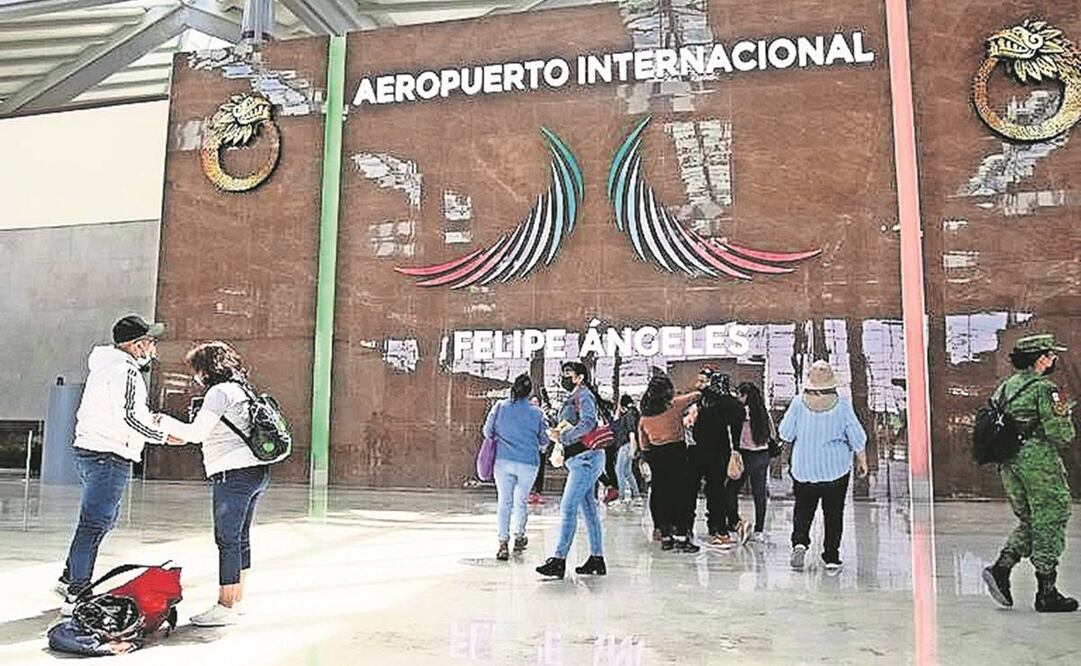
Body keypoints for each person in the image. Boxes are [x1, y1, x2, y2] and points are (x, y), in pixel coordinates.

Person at [57, 315, 175, 612]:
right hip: (109, 455)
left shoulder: (105, 367)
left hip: (91, 450)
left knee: (98, 519)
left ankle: (70, 576)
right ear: (135, 345)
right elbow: (129, 417)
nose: (152, 347)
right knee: (95, 523)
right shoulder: (126, 372)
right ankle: (77, 591)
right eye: (149, 342)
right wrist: (163, 436)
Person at [161, 341, 272, 627]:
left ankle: (224, 606)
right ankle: (236, 600)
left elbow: (196, 433)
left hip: (231, 474)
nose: (196, 375)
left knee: (227, 540)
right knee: (240, 538)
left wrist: (163, 423)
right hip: (255, 471)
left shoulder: (219, 393)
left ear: (206, 369)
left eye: (196, 369)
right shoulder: (242, 389)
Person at [982, 334, 1077, 612]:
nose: (1053, 359)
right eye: (1050, 354)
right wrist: (1066, 416)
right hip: (1038, 463)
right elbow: (1059, 433)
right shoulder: (1044, 389)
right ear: (1041, 358)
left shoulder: (1005, 388)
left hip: (1009, 462)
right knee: (1052, 516)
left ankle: (1002, 568)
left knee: (1031, 520)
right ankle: (1047, 592)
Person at [778, 360, 868, 572]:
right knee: (834, 513)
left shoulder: (798, 403)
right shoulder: (842, 405)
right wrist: (862, 460)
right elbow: (856, 436)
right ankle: (831, 557)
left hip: (804, 469)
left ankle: (800, 542)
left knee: (803, 509)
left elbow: (785, 433)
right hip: (835, 470)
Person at [536, 362, 608, 579]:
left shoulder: (583, 395)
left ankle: (558, 560)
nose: (564, 378)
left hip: (586, 459)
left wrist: (564, 437)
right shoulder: (575, 396)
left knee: (568, 508)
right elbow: (571, 422)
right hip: (582, 459)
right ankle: (597, 559)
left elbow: (588, 422)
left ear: (580, 377)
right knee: (589, 511)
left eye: (569, 374)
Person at [482, 375, 548, 561]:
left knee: (504, 502)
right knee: (521, 500)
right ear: (529, 393)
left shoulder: (500, 407)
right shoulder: (537, 413)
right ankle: (519, 536)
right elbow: (544, 440)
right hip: (528, 463)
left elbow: (487, 432)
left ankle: (503, 544)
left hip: (503, 461)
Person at [637, 375, 702, 553]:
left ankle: (665, 536)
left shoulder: (644, 417)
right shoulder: (674, 406)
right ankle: (681, 537)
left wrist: (647, 456)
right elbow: (696, 396)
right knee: (681, 494)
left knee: (660, 495)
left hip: (655, 456)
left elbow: (643, 443)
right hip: (677, 453)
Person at [691, 373, 745, 549]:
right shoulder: (736, 406)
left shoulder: (709, 404)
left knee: (706, 490)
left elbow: (698, 430)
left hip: (704, 453)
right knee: (717, 490)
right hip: (724, 454)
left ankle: (719, 530)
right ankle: (719, 529)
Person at [728, 382, 776, 543]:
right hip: (762, 456)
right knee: (759, 494)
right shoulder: (763, 412)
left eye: (739, 394)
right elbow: (772, 434)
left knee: (731, 489)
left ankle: (735, 522)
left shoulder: (741, 412)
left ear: (745, 396)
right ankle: (759, 530)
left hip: (743, 456)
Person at [613, 394, 642, 505]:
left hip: (626, 444)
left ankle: (621, 498)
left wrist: (633, 445)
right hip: (629, 444)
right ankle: (636, 496)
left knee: (619, 470)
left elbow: (631, 431)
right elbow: (616, 423)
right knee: (627, 471)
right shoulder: (633, 413)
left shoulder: (629, 415)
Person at [529, 393, 554, 504]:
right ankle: (529, 492)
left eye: (536, 402)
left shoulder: (543, 415)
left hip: (541, 448)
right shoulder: (527, 416)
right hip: (530, 448)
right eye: (533, 402)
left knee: (540, 471)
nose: (535, 404)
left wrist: (545, 444)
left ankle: (538, 492)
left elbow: (546, 430)